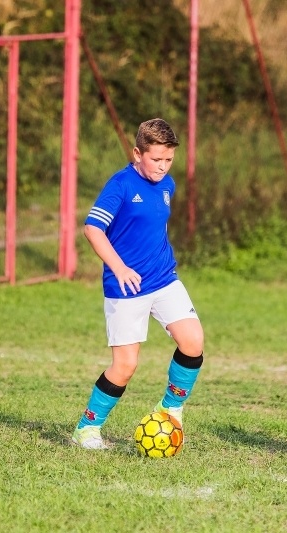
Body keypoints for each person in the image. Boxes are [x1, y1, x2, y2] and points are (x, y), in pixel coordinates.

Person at [72, 118, 205, 450]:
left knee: (193, 341)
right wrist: (119, 267)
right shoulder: (120, 185)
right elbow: (92, 228)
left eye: (168, 160)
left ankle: (170, 408)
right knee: (126, 366)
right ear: (137, 153)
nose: (162, 167)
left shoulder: (167, 186)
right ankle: (87, 428)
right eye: (155, 159)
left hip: (163, 278)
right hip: (126, 287)